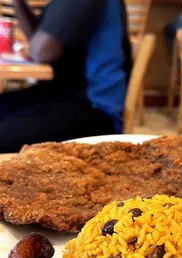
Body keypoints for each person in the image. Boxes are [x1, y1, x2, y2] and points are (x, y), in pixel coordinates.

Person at [0, 0, 132, 153]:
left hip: (96, 110)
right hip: (64, 94)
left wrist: (34, 48)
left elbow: (41, 52)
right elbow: (37, 38)